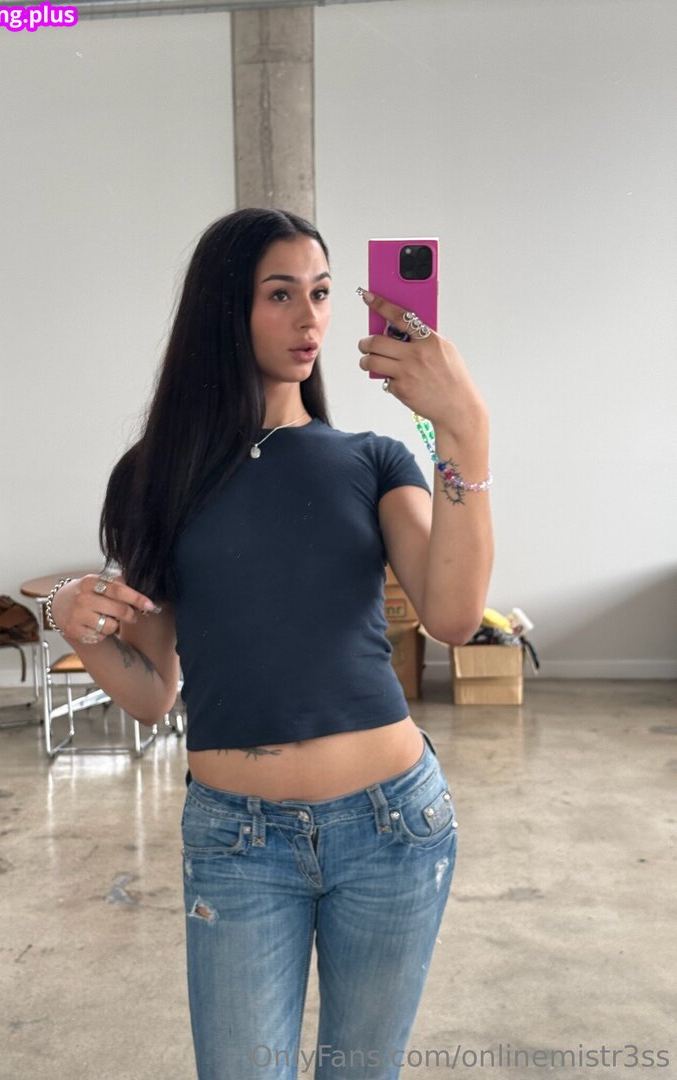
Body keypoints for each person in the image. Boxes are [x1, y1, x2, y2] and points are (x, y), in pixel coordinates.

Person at [48, 207, 493, 1079]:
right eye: (280, 294)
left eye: (321, 294)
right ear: (225, 308)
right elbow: (153, 691)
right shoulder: (155, 477)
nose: (310, 319)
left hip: (393, 826)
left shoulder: (373, 460)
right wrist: (72, 616)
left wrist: (464, 428)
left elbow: (451, 615)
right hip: (237, 842)